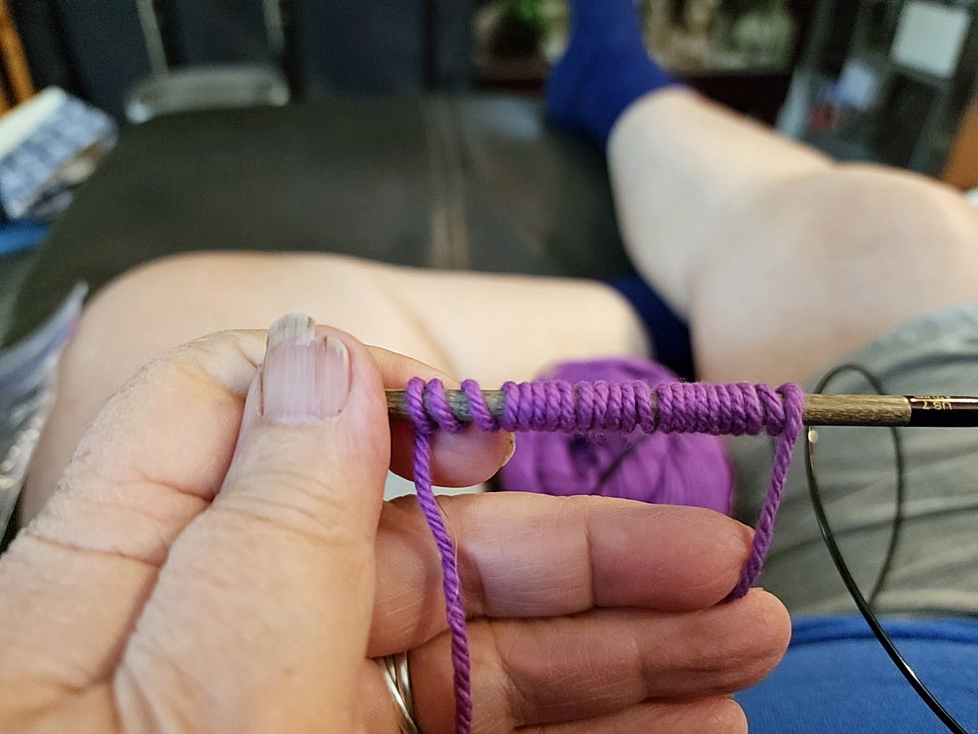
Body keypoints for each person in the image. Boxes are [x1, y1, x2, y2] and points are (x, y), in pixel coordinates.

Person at [4, 0, 978, 731]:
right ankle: (637, 137)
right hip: (911, 609)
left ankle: (645, 163)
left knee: (164, 349)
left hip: (854, 622)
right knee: (905, 237)